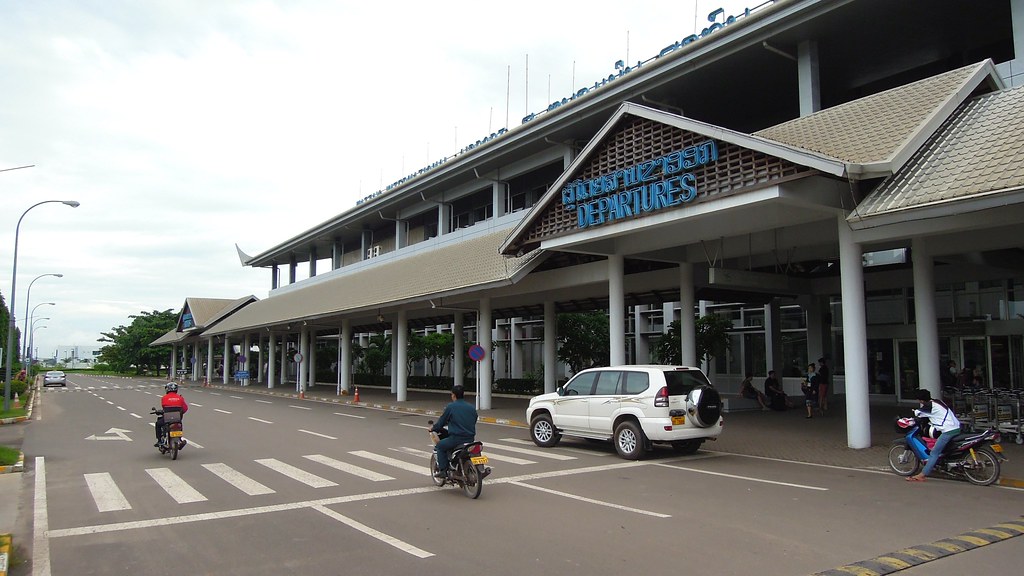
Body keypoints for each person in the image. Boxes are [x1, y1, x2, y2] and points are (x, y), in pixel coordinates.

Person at [907, 388, 961, 482]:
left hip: (948, 430)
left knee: (934, 453)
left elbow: (918, 414)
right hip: (956, 427)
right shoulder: (937, 401)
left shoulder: (928, 406)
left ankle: (922, 475)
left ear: (921, 400)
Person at [429, 385, 478, 479]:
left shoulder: (451, 407)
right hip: (470, 439)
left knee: (440, 446)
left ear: (454, 395)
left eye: (451, 394)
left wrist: (433, 428)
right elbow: (474, 419)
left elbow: (441, 422)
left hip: (456, 439)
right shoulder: (471, 407)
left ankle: (443, 471)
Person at [155, 382, 189, 447]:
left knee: (158, 424)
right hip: (177, 418)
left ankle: (159, 440)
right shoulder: (180, 398)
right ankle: (180, 439)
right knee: (179, 426)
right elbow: (185, 408)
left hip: (167, 419)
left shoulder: (164, 398)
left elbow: (164, 407)